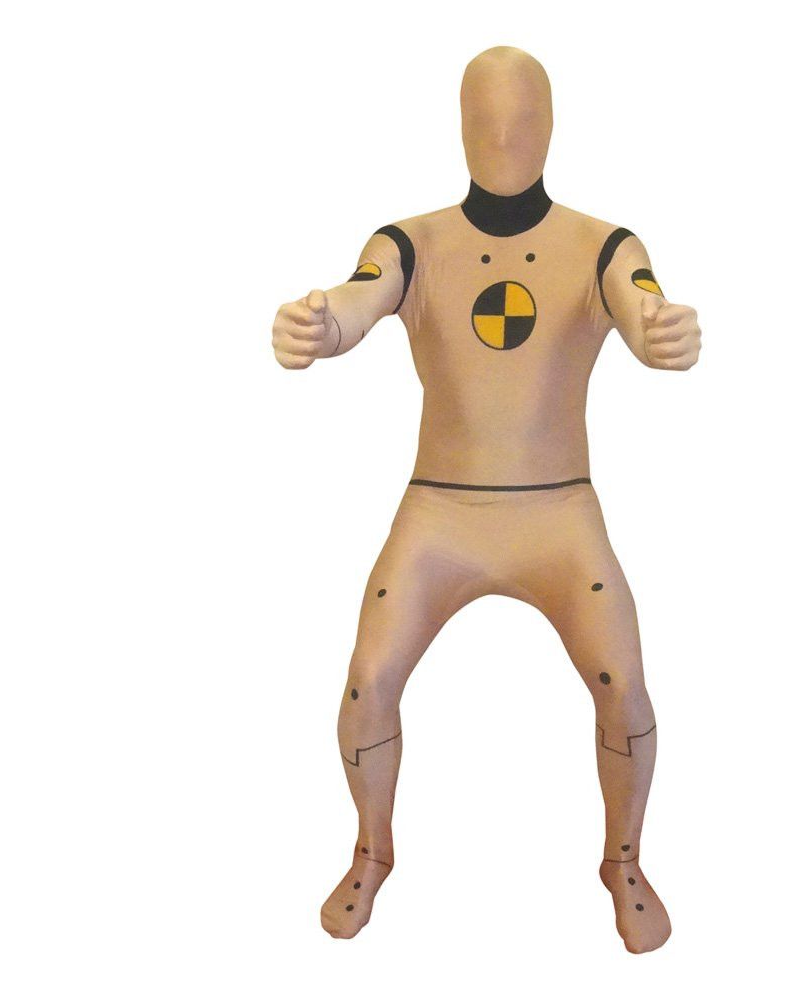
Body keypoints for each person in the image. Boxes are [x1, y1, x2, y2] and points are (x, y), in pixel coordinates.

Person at [272, 46, 701, 953]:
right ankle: (372, 848)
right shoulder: (411, 242)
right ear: (460, 128)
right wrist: (322, 325)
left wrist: (661, 331)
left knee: (624, 687)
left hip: (560, 515)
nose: (505, 135)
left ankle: (623, 860)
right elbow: (361, 296)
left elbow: (640, 304)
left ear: (553, 127)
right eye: (487, 118)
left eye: (523, 118)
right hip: (441, 513)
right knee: (369, 679)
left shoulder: (605, 245)